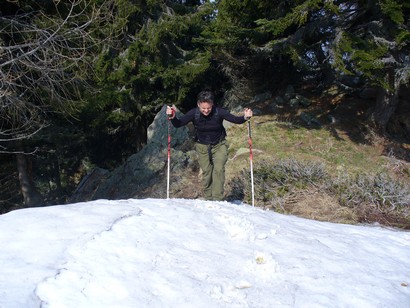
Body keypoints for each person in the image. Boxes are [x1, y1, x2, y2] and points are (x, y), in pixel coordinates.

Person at [166, 90, 253, 201]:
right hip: (202, 145)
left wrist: (245, 117)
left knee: (219, 169)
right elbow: (178, 124)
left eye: (209, 108)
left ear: (212, 104)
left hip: (219, 144)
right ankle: (209, 198)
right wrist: (172, 116)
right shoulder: (194, 113)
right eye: (203, 108)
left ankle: (217, 199)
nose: (206, 110)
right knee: (207, 172)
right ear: (198, 104)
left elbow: (235, 119)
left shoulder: (219, 111)